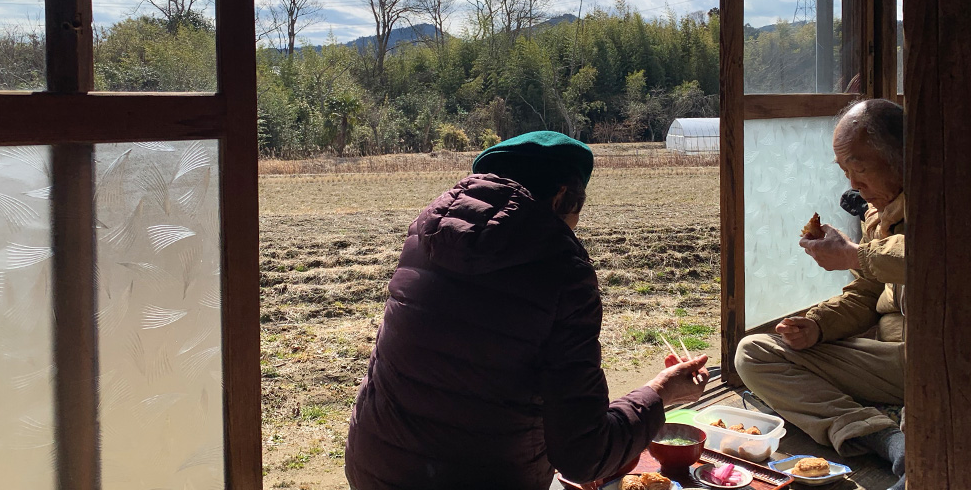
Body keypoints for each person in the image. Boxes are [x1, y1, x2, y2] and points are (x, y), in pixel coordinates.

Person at [345, 131, 709, 490]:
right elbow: (583, 456)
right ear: (561, 196)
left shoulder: (425, 238)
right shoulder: (562, 269)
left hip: (374, 469)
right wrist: (660, 394)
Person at [735, 99, 906, 490]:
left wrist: (853, 255)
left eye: (859, 169)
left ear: (900, 158)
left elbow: (935, 260)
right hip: (890, 359)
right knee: (753, 353)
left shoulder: (944, 202)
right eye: (844, 171)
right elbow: (865, 295)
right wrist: (816, 326)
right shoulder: (880, 213)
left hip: (941, 361)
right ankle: (886, 438)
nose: (852, 185)